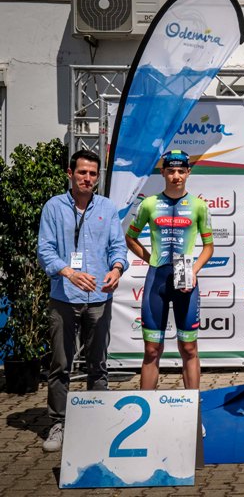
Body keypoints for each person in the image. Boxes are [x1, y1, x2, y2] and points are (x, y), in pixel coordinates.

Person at [37, 149, 129, 452]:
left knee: (98, 364)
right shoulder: (54, 207)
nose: (87, 178)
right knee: (60, 364)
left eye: (92, 173)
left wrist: (117, 269)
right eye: (82, 172)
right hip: (64, 297)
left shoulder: (107, 207)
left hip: (99, 298)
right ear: (70, 173)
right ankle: (58, 423)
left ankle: (98, 424)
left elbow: (117, 247)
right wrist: (68, 272)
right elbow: (45, 250)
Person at [125, 150, 214, 394]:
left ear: (188, 173)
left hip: (186, 278)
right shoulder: (149, 204)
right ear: (163, 172)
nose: (176, 176)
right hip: (158, 280)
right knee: (152, 350)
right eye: (171, 171)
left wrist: (193, 270)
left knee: (189, 348)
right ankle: (146, 408)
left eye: (181, 171)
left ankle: (193, 409)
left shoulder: (199, 206)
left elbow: (209, 247)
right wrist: (151, 260)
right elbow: (130, 238)